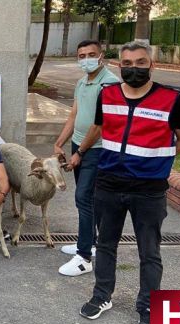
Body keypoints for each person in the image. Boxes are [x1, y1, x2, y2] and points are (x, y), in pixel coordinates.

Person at [76, 41, 180, 324]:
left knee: (149, 252)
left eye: (140, 63)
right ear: (118, 65)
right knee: (105, 245)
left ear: (151, 65)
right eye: (127, 63)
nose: (134, 68)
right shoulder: (108, 94)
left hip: (149, 190)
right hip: (109, 184)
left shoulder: (173, 99)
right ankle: (102, 294)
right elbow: (100, 128)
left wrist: (154, 161)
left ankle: (150, 309)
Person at [53, 40, 119, 277]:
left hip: (96, 149)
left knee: (84, 197)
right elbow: (74, 114)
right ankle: (89, 241)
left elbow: (99, 125)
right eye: (82, 55)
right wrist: (60, 142)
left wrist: (79, 153)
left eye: (91, 54)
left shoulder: (109, 84)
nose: (86, 59)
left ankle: (84, 257)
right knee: (85, 197)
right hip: (79, 144)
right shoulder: (82, 82)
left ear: (101, 56)